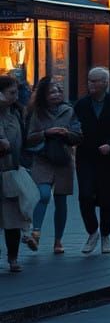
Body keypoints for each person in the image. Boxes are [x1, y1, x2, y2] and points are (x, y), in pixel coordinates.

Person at [72, 67, 110, 254]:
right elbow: (74, 127)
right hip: (86, 156)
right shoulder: (81, 105)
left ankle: (106, 236)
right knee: (85, 196)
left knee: (107, 199)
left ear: (105, 83)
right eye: (89, 80)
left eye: (95, 81)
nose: (91, 84)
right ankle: (92, 231)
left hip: (108, 158)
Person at [24, 77, 81, 254]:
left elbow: (79, 136)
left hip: (63, 160)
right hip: (43, 159)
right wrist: (46, 133)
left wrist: (67, 134)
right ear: (44, 96)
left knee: (61, 201)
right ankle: (36, 233)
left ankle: (58, 241)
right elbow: (30, 137)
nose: (56, 94)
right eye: (52, 92)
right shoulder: (37, 112)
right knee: (43, 195)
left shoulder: (69, 111)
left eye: (58, 91)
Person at [0, 74, 29, 271]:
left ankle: (13, 258)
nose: (15, 96)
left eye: (16, 92)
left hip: (12, 170)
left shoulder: (17, 112)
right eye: (11, 92)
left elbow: (23, 141)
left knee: (13, 217)